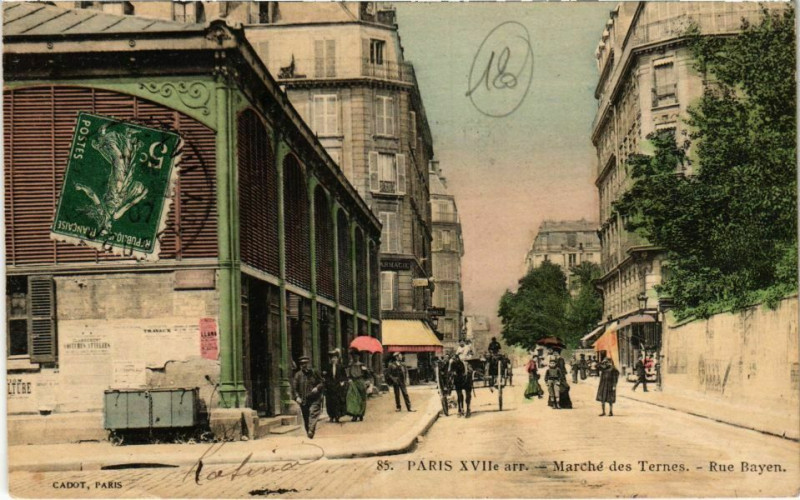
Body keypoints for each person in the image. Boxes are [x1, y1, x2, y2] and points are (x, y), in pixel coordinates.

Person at [292, 356, 324, 438]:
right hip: (304, 400)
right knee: (306, 417)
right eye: (302, 364)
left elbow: (322, 382)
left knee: (313, 413)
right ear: (300, 365)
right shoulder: (298, 375)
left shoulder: (314, 372)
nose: (304, 365)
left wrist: (317, 388)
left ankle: (311, 430)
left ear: (309, 364)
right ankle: (309, 431)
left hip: (315, 399)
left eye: (306, 363)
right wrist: (297, 397)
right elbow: (294, 388)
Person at [323, 349, 347, 423]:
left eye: (335, 358)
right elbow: (325, 376)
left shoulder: (341, 367)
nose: (333, 360)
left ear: (337, 359)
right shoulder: (327, 367)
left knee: (337, 402)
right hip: (330, 387)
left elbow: (344, 376)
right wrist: (326, 382)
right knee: (330, 402)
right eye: (332, 358)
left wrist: (342, 382)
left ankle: (337, 416)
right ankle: (331, 416)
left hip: (338, 386)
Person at [345, 350, 367, 421]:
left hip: (360, 382)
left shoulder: (362, 365)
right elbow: (347, 373)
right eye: (354, 356)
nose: (355, 358)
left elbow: (366, 375)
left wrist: (365, 371)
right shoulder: (350, 365)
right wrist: (349, 379)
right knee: (354, 398)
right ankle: (354, 414)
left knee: (362, 398)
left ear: (359, 357)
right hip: (353, 382)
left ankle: (361, 414)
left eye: (356, 356)